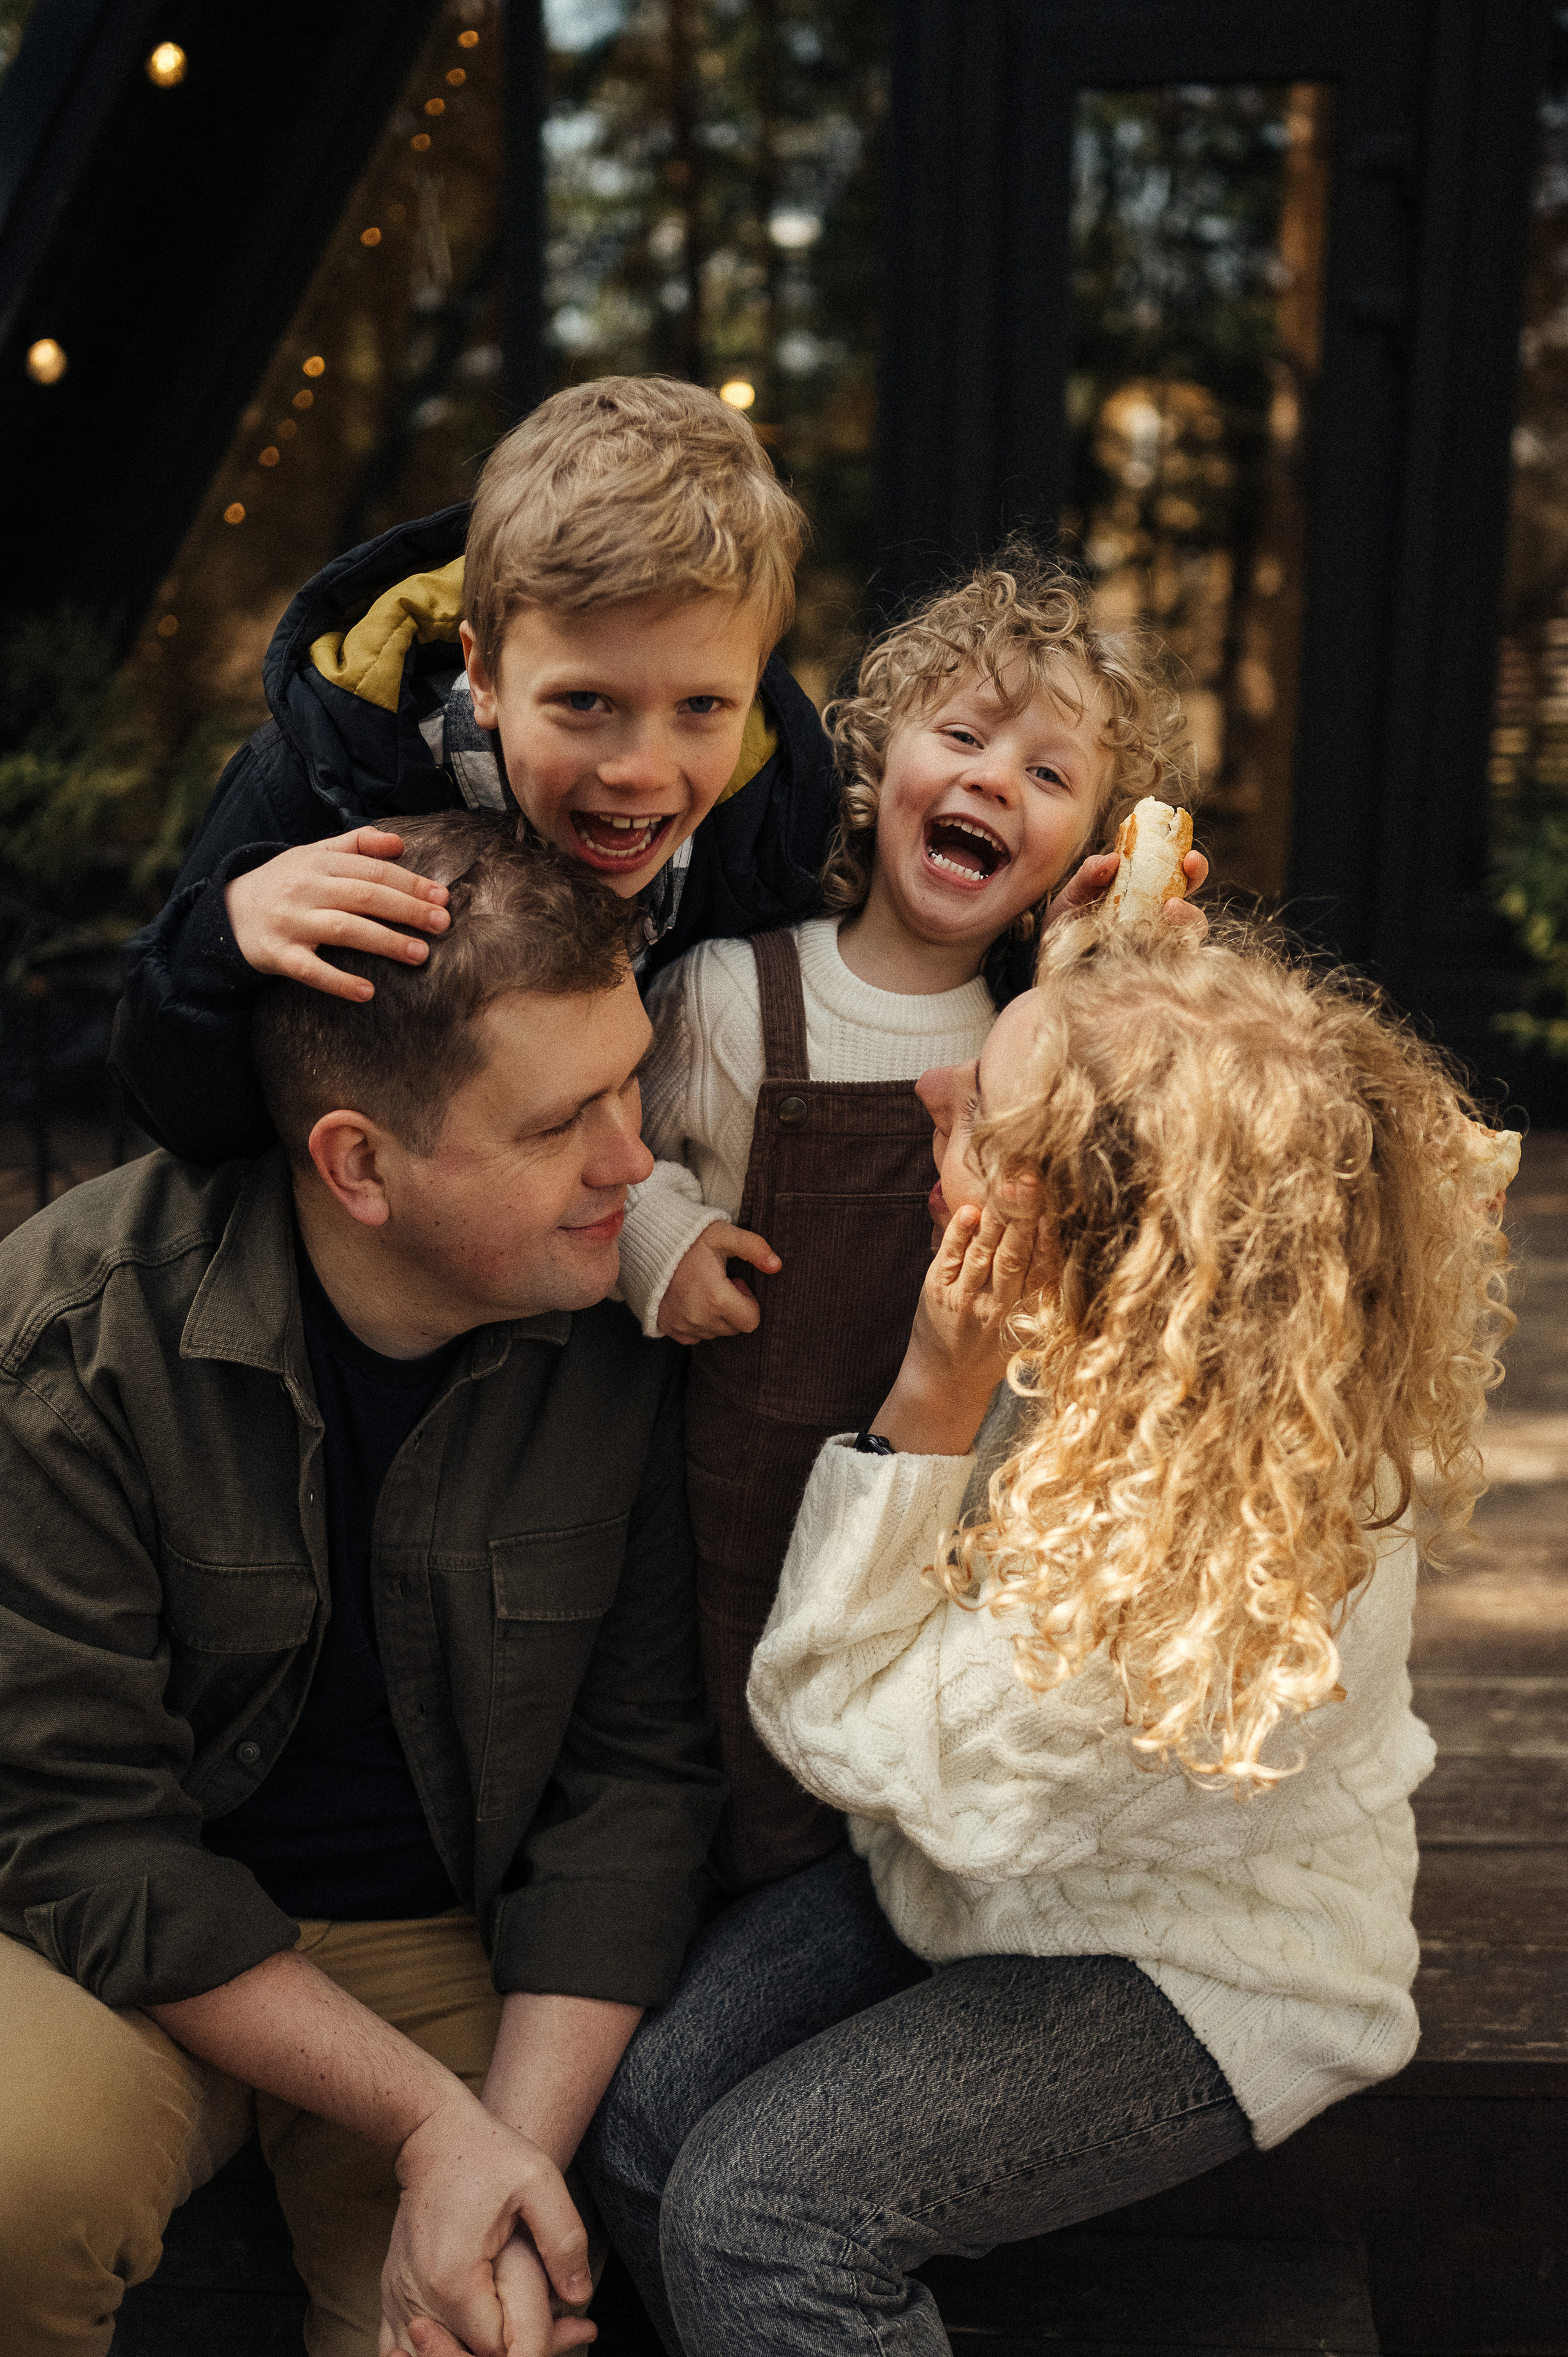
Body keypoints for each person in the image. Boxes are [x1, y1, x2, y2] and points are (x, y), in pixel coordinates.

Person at [580, 914, 1512, 2356]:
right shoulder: (1182, 1337)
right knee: (644, 2115)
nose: (928, 1093)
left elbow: (833, 1719)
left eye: (974, 1115)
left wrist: (927, 1400)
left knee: (760, 2214)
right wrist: (1091, 989)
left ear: (1093, 1235)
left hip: (1199, 1954)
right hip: (984, 1871)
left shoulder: (1192, 1574)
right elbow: (1183, 1096)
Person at [0, 812, 723, 2357]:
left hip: (442, 1940)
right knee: (12, 2179)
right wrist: (426, 2119)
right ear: (358, 1165)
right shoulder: (79, 1333)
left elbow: (635, 1787)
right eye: (559, 1123)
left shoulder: (626, 1328)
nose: (632, 1161)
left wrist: (501, 2163)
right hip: (113, 1953)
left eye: (630, 1084)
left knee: (495, 2321)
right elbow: (81, 1834)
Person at [614, 547, 1205, 1889]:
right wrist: (662, 1238)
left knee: (882, 1761)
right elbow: (605, 1160)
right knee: (731, 1765)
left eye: (1048, 774)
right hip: (731, 1487)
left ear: (1089, 843)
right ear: (878, 766)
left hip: (940, 1502)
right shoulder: (730, 993)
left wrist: (1103, 975)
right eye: (964, 737)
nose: (995, 780)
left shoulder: (1035, 1049)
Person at [110, 375, 834, 1166]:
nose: (641, 770)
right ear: (483, 675)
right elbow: (172, 1108)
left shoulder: (779, 821)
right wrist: (224, 935)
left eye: (701, 706)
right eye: (585, 702)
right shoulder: (312, 787)